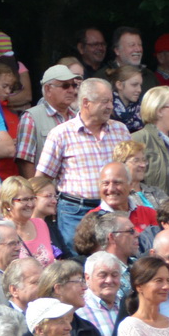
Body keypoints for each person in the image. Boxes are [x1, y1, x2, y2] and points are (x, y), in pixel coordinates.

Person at [37, 78, 131, 251]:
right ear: (86, 103)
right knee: (78, 261)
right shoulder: (61, 134)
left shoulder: (120, 130)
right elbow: (41, 179)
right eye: (105, 101)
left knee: (113, 259)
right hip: (75, 212)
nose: (111, 106)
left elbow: (130, 173)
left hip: (113, 209)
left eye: (111, 101)